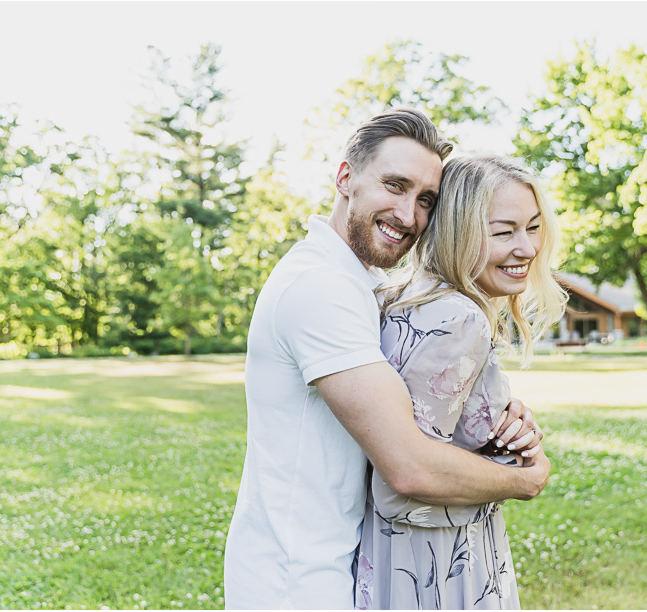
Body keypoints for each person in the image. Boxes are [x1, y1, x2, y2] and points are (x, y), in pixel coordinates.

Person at [223, 110, 551, 610]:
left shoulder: (371, 285)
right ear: (345, 177)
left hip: (348, 566)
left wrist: (495, 412)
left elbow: (419, 391)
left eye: (425, 200)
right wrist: (524, 479)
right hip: (301, 580)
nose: (407, 214)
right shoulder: (320, 288)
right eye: (394, 185)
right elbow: (410, 468)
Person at [355, 155, 567, 609]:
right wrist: (521, 474)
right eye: (503, 231)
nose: (527, 249)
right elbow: (407, 485)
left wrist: (498, 420)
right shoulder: (459, 317)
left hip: (398, 563)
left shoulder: (407, 298)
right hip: (435, 570)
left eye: (532, 227)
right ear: (458, 231)